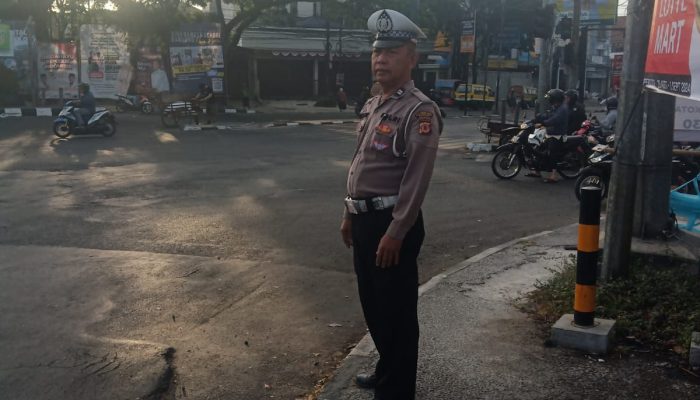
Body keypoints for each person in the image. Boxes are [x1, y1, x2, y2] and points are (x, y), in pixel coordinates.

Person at [339, 9, 442, 400]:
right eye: (376, 52)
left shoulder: (419, 111)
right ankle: (386, 369)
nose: (380, 59)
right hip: (365, 220)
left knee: (397, 313)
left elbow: (416, 180)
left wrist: (396, 231)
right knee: (375, 307)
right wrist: (348, 212)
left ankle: (397, 389)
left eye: (391, 52)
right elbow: (359, 164)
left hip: (391, 222)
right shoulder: (374, 104)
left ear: (411, 57)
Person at [527, 88, 569, 183]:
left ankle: (554, 175)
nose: (549, 100)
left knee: (552, 154)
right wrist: (536, 118)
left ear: (555, 98)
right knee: (538, 148)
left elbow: (554, 119)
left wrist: (543, 123)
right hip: (550, 133)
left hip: (558, 135)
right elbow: (547, 115)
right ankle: (537, 171)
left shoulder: (563, 109)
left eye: (550, 98)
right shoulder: (556, 106)